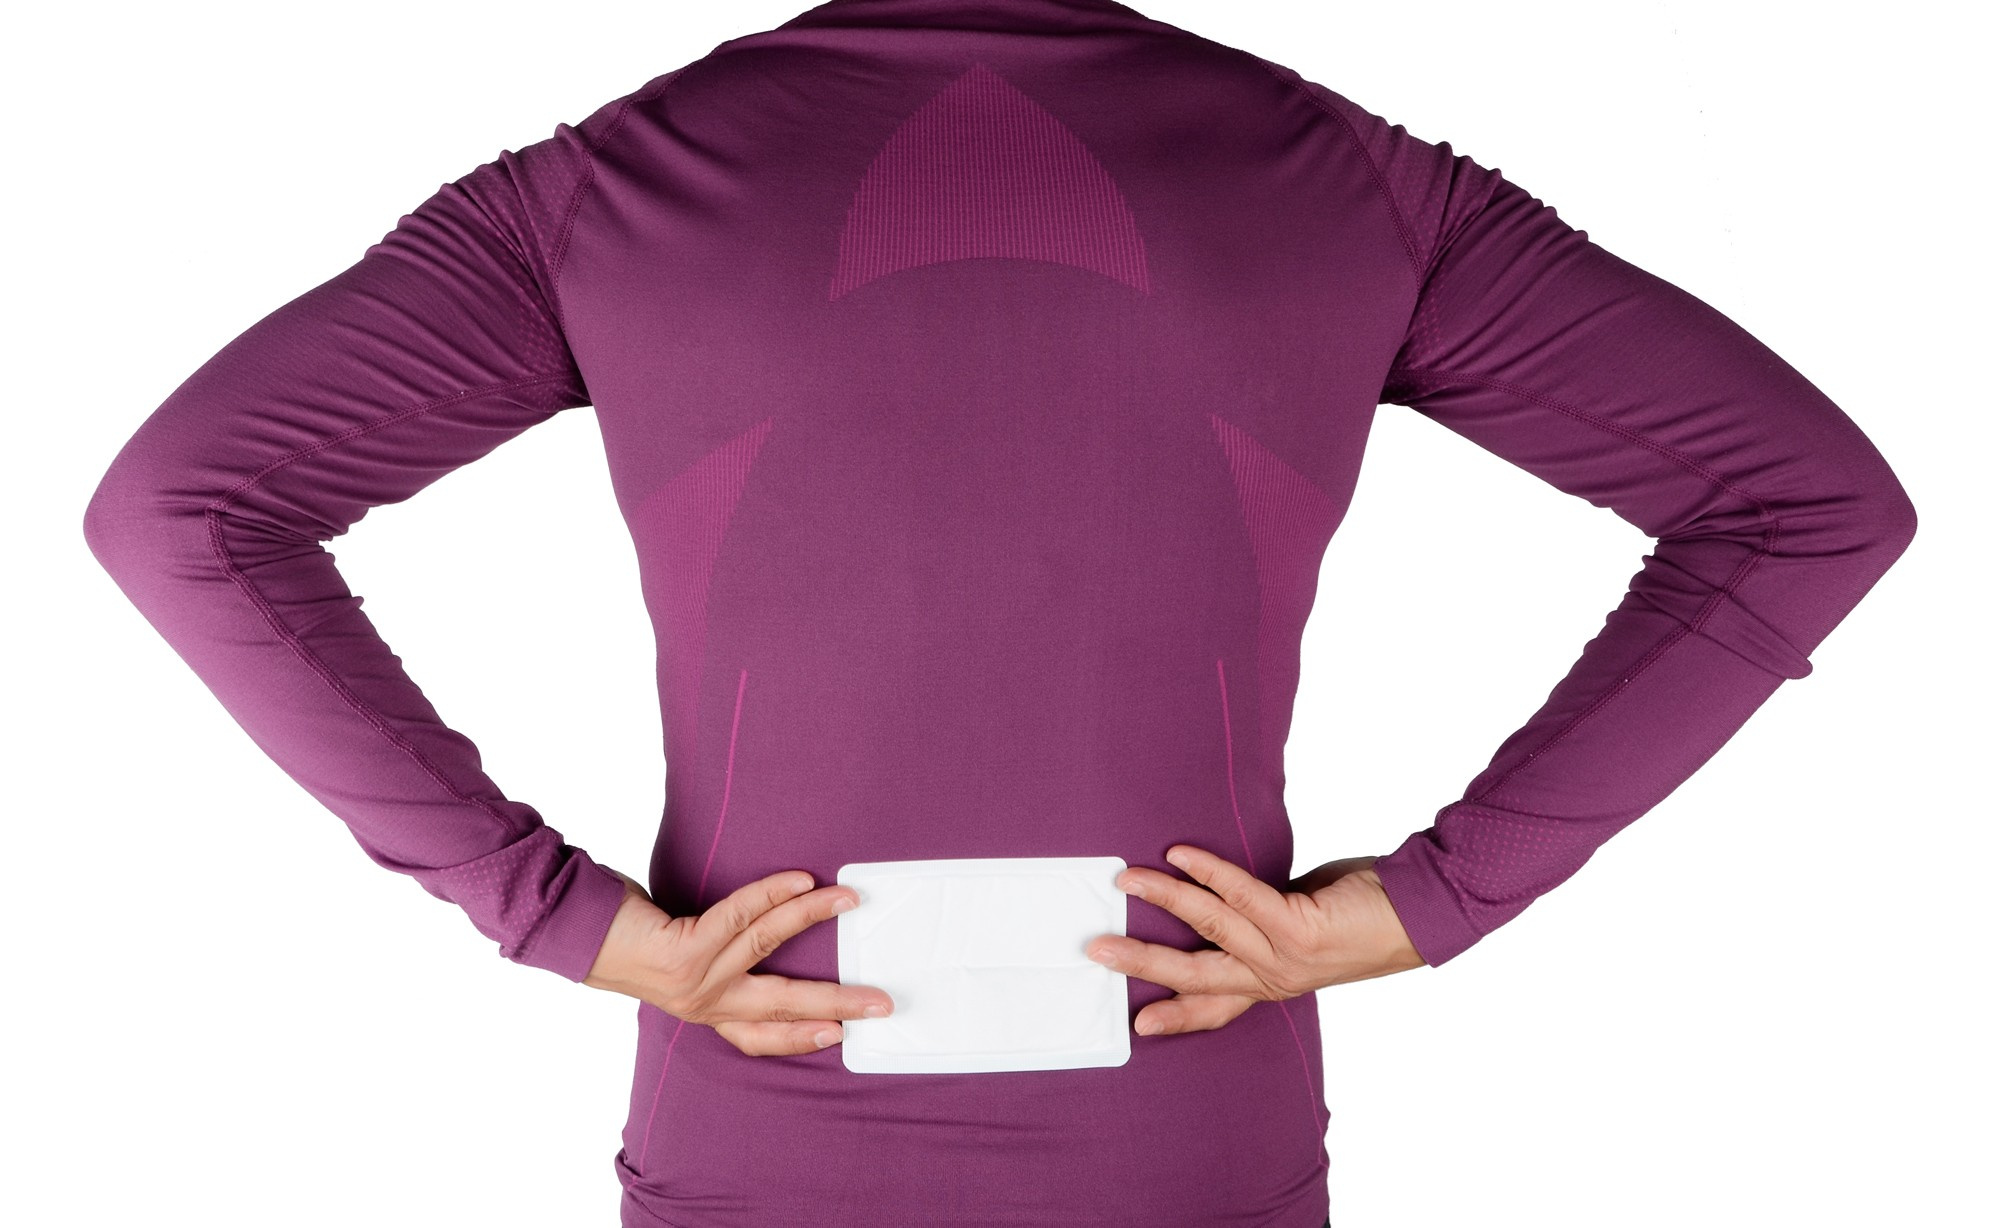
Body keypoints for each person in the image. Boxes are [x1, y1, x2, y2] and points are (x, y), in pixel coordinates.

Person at [79, 0, 1916, 1224]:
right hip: (1187, 1136)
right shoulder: (1342, 180)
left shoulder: (613, 186)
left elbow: (186, 507)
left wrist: (559, 920)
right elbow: (1803, 501)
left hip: (764, 1134)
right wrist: (1431, 905)